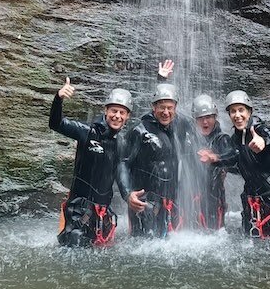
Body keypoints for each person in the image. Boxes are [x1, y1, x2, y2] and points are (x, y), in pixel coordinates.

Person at [202, 89, 270, 239]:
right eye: (233, 111)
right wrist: (215, 160)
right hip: (251, 205)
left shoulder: (260, 129)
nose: (237, 115)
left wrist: (266, 143)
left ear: (249, 112)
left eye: (241, 110)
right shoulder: (234, 139)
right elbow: (234, 161)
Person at [49, 77, 132, 247]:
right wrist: (58, 99)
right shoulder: (87, 132)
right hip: (79, 210)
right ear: (106, 111)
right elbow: (56, 124)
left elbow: (120, 171)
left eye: (122, 113)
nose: (117, 116)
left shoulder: (122, 142)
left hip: (104, 212)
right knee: (74, 254)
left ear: (127, 116)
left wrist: (128, 195)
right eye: (113, 111)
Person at [118, 59, 192, 237]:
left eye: (170, 108)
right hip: (145, 202)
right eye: (161, 107)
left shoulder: (177, 126)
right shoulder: (140, 131)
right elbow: (123, 164)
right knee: (144, 246)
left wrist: (162, 80)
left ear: (175, 108)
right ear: (153, 107)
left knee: (167, 245)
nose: (166, 112)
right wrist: (127, 194)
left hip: (170, 201)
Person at [192, 94, 236, 230]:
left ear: (215, 117)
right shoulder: (189, 139)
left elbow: (232, 156)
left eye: (208, 117)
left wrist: (215, 158)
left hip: (214, 199)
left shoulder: (222, 139)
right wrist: (162, 80)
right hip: (191, 198)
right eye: (201, 118)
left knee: (214, 234)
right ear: (195, 120)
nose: (205, 122)